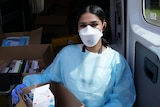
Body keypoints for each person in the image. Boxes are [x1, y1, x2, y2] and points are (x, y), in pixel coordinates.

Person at [12, 5, 136, 107]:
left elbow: (122, 99)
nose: (88, 30)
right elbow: (49, 76)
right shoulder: (67, 53)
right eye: (83, 25)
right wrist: (26, 85)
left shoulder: (116, 61)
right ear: (77, 28)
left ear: (103, 26)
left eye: (94, 25)